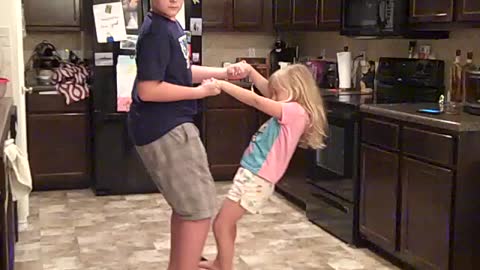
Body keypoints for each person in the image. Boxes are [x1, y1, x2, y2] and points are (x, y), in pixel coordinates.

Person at [126, 1, 249, 270]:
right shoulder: (156, 31)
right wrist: (199, 93)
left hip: (168, 124)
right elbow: (149, 90)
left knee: (188, 208)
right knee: (198, 209)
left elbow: (181, 73)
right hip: (165, 127)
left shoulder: (170, 25)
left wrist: (224, 73)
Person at [199, 64, 328, 270]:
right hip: (254, 176)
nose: (273, 95)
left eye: (277, 92)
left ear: (294, 90)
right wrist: (250, 72)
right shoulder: (293, 107)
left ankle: (223, 267)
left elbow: (257, 100)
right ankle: (222, 263)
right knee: (226, 224)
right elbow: (268, 90)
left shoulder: (293, 111)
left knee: (221, 224)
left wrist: (223, 85)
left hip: (255, 178)